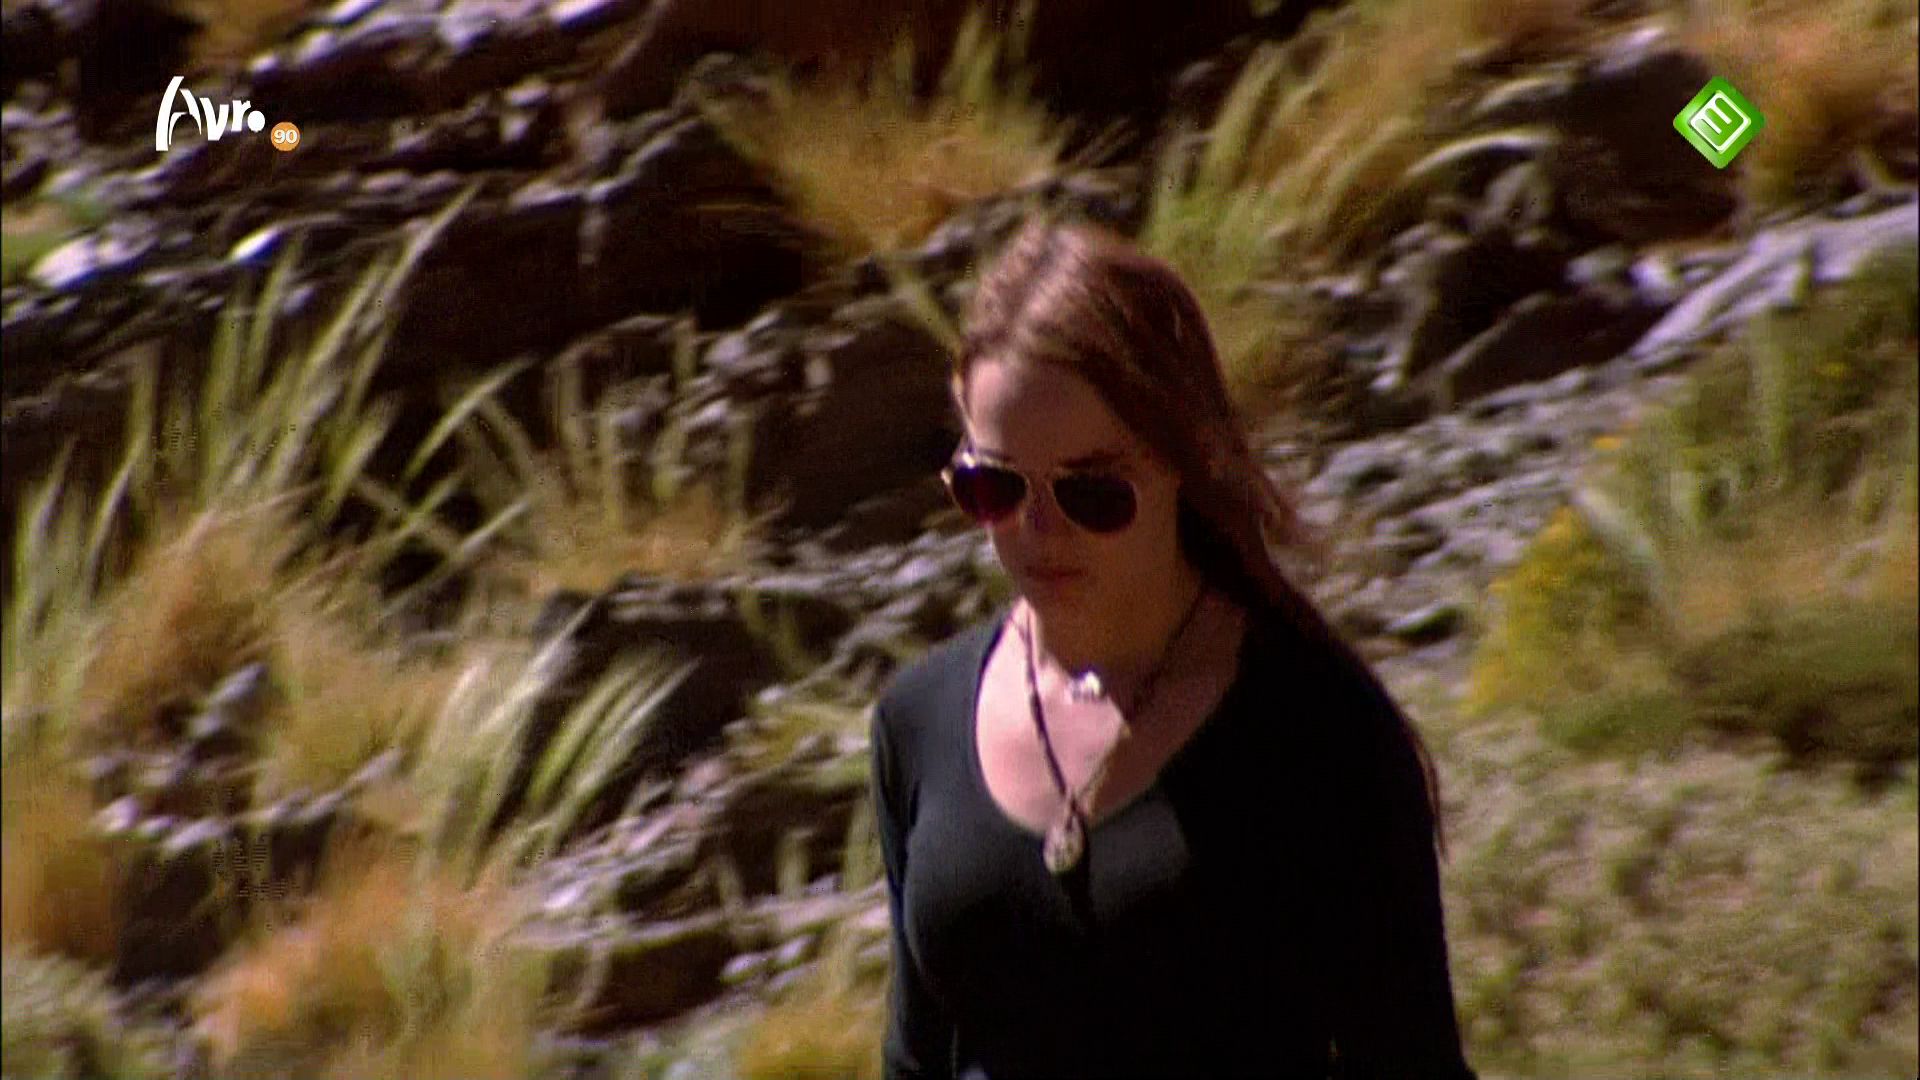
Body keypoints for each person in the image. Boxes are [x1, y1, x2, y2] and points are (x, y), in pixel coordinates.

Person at [867, 217, 1478, 1080]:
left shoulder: (1316, 732)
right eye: (993, 487)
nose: (1038, 532)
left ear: (1183, 461)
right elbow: (915, 1061)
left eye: (1093, 491)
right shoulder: (917, 722)